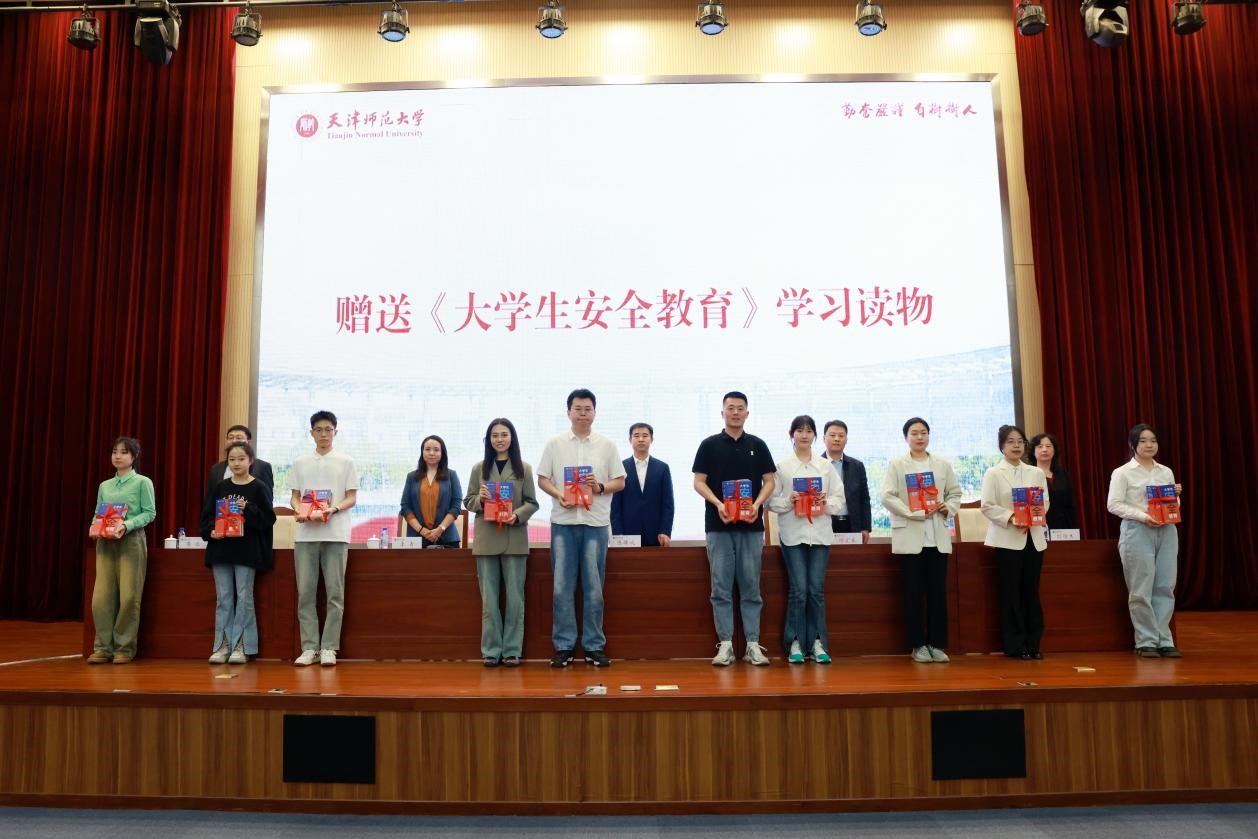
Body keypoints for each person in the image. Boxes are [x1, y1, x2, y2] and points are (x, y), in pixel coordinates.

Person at [536, 389, 627, 668]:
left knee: (594, 588)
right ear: (569, 412)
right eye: (578, 409)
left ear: (595, 413)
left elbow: (620, 481)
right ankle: (564, 646)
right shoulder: (554, 444)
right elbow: (542, 479)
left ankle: (594, 646)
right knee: (561, 587)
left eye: (588, 409)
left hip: (595, 523)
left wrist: (599, 487)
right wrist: (558, 494)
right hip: (563, 522)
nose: (583, 414)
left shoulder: (607, 445)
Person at [692, 391, 776, 666]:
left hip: (751, 527)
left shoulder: (758, 445)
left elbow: (769, 481)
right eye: (731, 408)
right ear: (723, 413)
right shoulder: (709, 445)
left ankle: (752, 644)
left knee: (751, 585)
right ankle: (725, 644)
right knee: (720, 586)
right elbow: (699, 482)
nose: (735, 412)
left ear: (747, 413)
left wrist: (757, 505)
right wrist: (718, 504)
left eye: (740, 408)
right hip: (719, 526)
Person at [879, 417, 963, 664]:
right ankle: (917, 645)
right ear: (906, 437)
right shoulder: (897, 464)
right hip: (910, 535)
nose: (919, 437)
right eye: (914, 433)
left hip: (937, 537)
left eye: (923, 432)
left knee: (938, 593)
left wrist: (947, 507)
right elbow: (886, 496)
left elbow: (955, 493)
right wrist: (911, 511)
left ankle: (937, 644)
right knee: (913, 593)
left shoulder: (942, 464)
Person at [768, 415, 844, 664]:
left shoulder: (825, 466)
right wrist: (788, 500)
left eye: (808, 430)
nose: (804, 435)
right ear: (791, 434)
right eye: (799, 430)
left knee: (816, 591)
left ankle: (818, 642)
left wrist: (825, 502)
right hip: (793, 535)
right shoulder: (782, 466)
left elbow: (839, 499)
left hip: (820, 535)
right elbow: (770, 502)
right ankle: (795, 642)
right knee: (799, 590)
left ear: (814, 435)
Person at [464, 418, 539, 667]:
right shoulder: (479, 469)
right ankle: (491, 650)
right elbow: (468, 501)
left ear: (512, 438)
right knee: (489, 599)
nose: (499, 439)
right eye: (494, 435)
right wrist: (481, 500)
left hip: (514, 538)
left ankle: (512, 650)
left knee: (515, 599)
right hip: (486, 539)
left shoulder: (524, 469)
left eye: (504, 435)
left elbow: (532, 502)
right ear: (489, 440)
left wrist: (517, 515)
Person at [1107, 423, 1183, 658]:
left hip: (1167, 530)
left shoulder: (1165, 471)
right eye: (1143, 441)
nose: (1149, 445)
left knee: (1165, 586)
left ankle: (1164, 639)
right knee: (1141, 588)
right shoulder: (1123, 472)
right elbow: (1114, 504)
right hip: (1137, 530)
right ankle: (1146, 640)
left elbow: (1173, 503)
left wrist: (1175, 499)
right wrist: (1143, 516)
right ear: (1133, 445)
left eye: (1153, 440)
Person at [289, 410, 359, 667]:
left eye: (328, 429)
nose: (323, 434)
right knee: (305, 594)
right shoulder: (300, 462)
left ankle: (329, 647)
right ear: (311, 433)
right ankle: (309, 648)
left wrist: (334, 509)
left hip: (336, 534)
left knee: (334, 594)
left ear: (335, 432)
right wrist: (299, 510)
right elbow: (295, 496)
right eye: (318, 430)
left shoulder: (346, 461)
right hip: (306, 535)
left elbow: (352, 497)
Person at [200, 440, 275, 665]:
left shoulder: (258, 486)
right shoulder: (220, 487)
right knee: (223, 599)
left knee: (244, 598)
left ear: (251, 461)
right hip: (221, 549)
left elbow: (268, 519)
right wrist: (211, 531)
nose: (236, 463)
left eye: (241, 459)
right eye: (232, 459)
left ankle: (242, 646)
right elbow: (207, 517)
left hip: (247, 551)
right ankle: (222, 646)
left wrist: (248, 508)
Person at [980, 425, 1050, 659]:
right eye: (1010, 441)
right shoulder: (993, 473)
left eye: (1020, 441)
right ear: (1002, 446)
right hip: (1007, 539)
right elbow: (987, 506)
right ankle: (1015, 645)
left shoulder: (1035, 472)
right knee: (1011, 592)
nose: (1016, 446)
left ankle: (1033, 644)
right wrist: (1013, 517)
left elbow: (1045, 502)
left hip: (1033, 538)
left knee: (1031, 591)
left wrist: (1032, 518)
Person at [87, 436, 157, 665]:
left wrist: (126, 525)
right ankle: (102, 648)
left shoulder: (142, 482)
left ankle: (124, 648)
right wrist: (94, 527)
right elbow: (98, 513)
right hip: (105, 543)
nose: (118, 456)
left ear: (133, 457)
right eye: (114, 452)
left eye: (124, 452)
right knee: (101, 599)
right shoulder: (105, 485)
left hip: (131, 541)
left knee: (129, 597)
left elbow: (149, 513)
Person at [610, 422, 675, 547]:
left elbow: (668, 504)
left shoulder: (662, 468)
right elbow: (615, 506)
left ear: (652, 439)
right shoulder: (621, 467)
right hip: (627, 534)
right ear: (630, 440)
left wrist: (665, 531)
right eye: (636, 436)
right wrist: (617, 534)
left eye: (645, 436)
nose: (641, 439)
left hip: (656, 533)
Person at [399, 435, 463, 548]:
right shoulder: (412, 477)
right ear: (422, 452)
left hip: (447, 538)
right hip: (417, 538)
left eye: (436, 450)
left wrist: (440, 529)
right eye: (427, 449)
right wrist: (422, 530)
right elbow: (405, 507)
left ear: (442, 453)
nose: (431, 453)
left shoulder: (451, 475)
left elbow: (456, 506)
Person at [822, 419, 872, 543]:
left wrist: (865, 527)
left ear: (846, 440)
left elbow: (864, 499)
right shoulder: (816, 465)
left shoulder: (857, 466)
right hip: (824, 522)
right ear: (824, 438)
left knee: (851, 556)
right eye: (832, 435)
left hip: (852, 524)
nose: (837, 439)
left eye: (841, 436)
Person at [203, 424, 274, 503]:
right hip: (222, 510)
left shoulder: (263, 467)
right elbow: (209, 499)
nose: (234, 441)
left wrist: (248, 507)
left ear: (248, 442)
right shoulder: (216, 468)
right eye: (230, 438)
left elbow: (267, 500)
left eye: (239, 438)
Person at [1028, 432, 1078, 531]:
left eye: (1048, 446)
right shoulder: (1028, 474)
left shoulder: (1063, 473)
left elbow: (1070, 504)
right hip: (1040, 528)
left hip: (1064, 527)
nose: (1044, 449)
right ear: (1033, 451)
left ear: (1054, 450)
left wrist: (1074, 528)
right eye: (1040, 446)